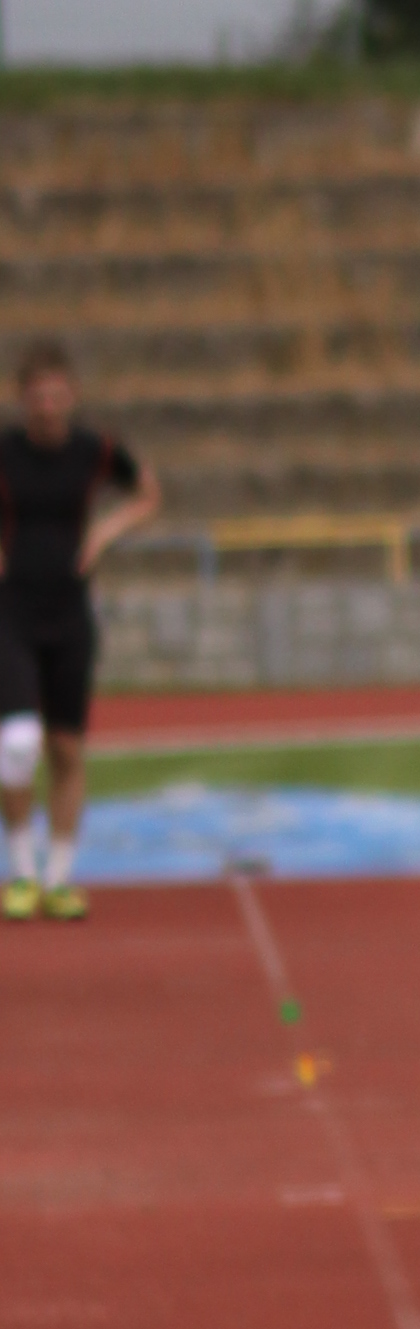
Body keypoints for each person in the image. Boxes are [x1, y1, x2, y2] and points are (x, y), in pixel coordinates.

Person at [1, 341, 158, 921]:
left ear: (71, 396)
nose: (47, 406)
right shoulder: (5, 451)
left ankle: (59, 878)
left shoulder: (96, 450)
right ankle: (21, 872)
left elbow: (147, 493)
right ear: (22, 398)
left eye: (56, 395)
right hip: (11, 611)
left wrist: (103, 534)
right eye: (37, 396)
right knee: (17, 743)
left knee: (66, 747)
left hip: (69, 612)